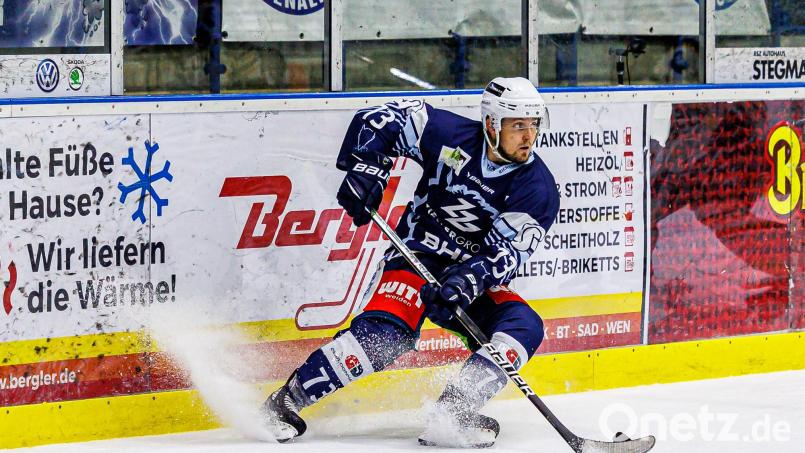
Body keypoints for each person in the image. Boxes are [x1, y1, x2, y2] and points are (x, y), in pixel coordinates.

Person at [261, 77, 560, 448]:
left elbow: (505, 255)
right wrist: (368, 167)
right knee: (385, 337)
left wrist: (464, 283)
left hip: (468, 278)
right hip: (414, 256)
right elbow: (378, 120)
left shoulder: (538, 189)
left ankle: (453, 412)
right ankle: (286, 401)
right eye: (518, 126)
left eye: (534, 125)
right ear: (490, 124)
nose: (529, 136)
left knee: (523, 326)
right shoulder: (448, 134)